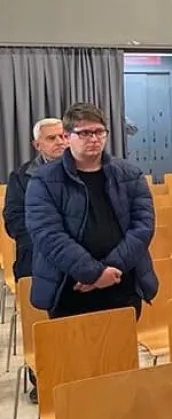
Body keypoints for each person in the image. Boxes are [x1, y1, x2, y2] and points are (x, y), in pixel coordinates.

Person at [25, 103, 158, 319]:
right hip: (70, 285)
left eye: (99, 132)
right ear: (67, 137)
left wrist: (110, 269)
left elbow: (143, 226)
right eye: (85, 133)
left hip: (121, 280)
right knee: (73, 351)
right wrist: (93, 273)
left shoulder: (129, 174)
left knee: (120, 350)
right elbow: (47, 234)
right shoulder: (44, 179)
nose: (94, 138)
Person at [5, 117, 69, 280]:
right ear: (37, 145)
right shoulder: (20, 178)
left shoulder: (88, 170)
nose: (60, 142)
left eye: (63, 136)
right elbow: (14, 221)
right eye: (51, 138)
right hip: (38, 252)